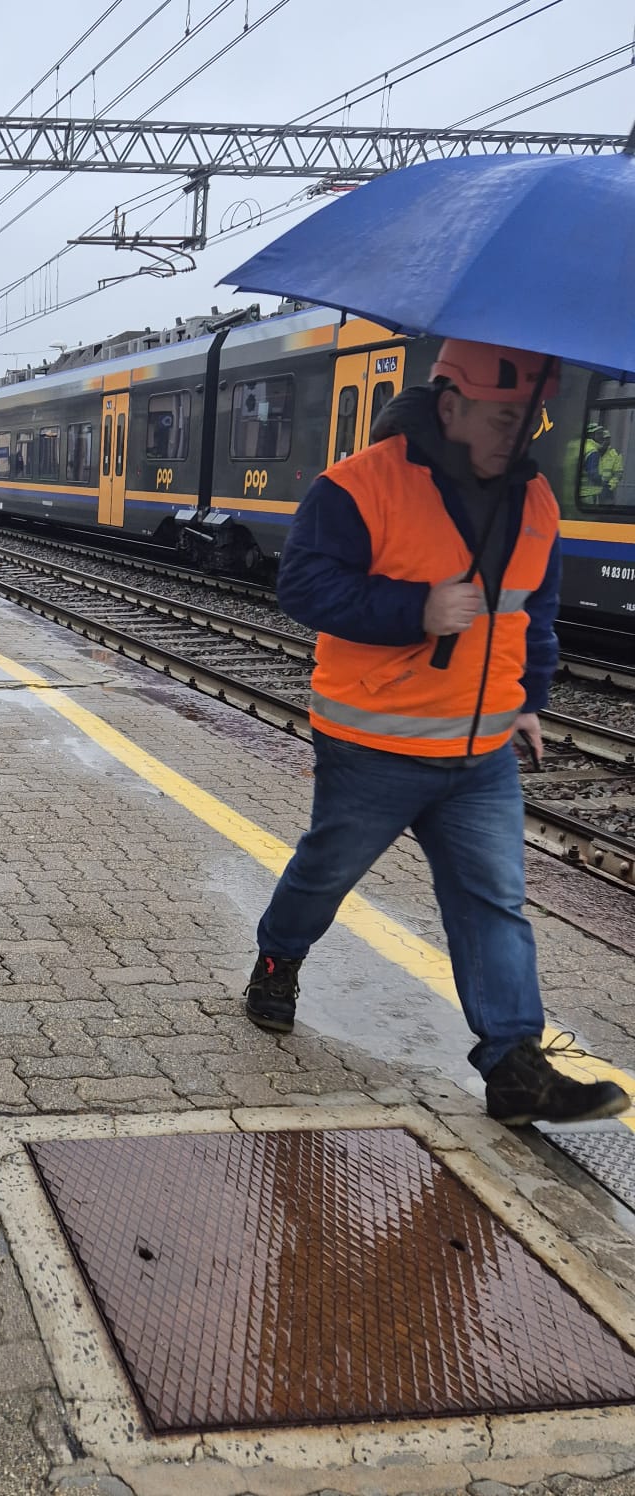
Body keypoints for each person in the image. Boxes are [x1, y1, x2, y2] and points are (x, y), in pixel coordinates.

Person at [243, 337, 629, 1128]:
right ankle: (278, 960)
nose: (519, 434)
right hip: (374, 746)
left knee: (495, 902)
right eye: (503, 415)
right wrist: (415, 610)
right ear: (451, 404)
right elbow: (305, 586)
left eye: (531, 418)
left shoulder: (536, 501)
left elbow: (534, 612)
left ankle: (515, 1065)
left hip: (481, 749)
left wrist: (528, 697)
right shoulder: (356, 486)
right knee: (325, 874)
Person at [580, 423, 625, 506]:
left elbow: (618, 474)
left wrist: (610, 486)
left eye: (607, 439)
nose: (604, 441)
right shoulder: (592, 451)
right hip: (591, 492)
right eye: (603, 438)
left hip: (606, 491)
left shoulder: (615, 454)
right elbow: (593, 474)